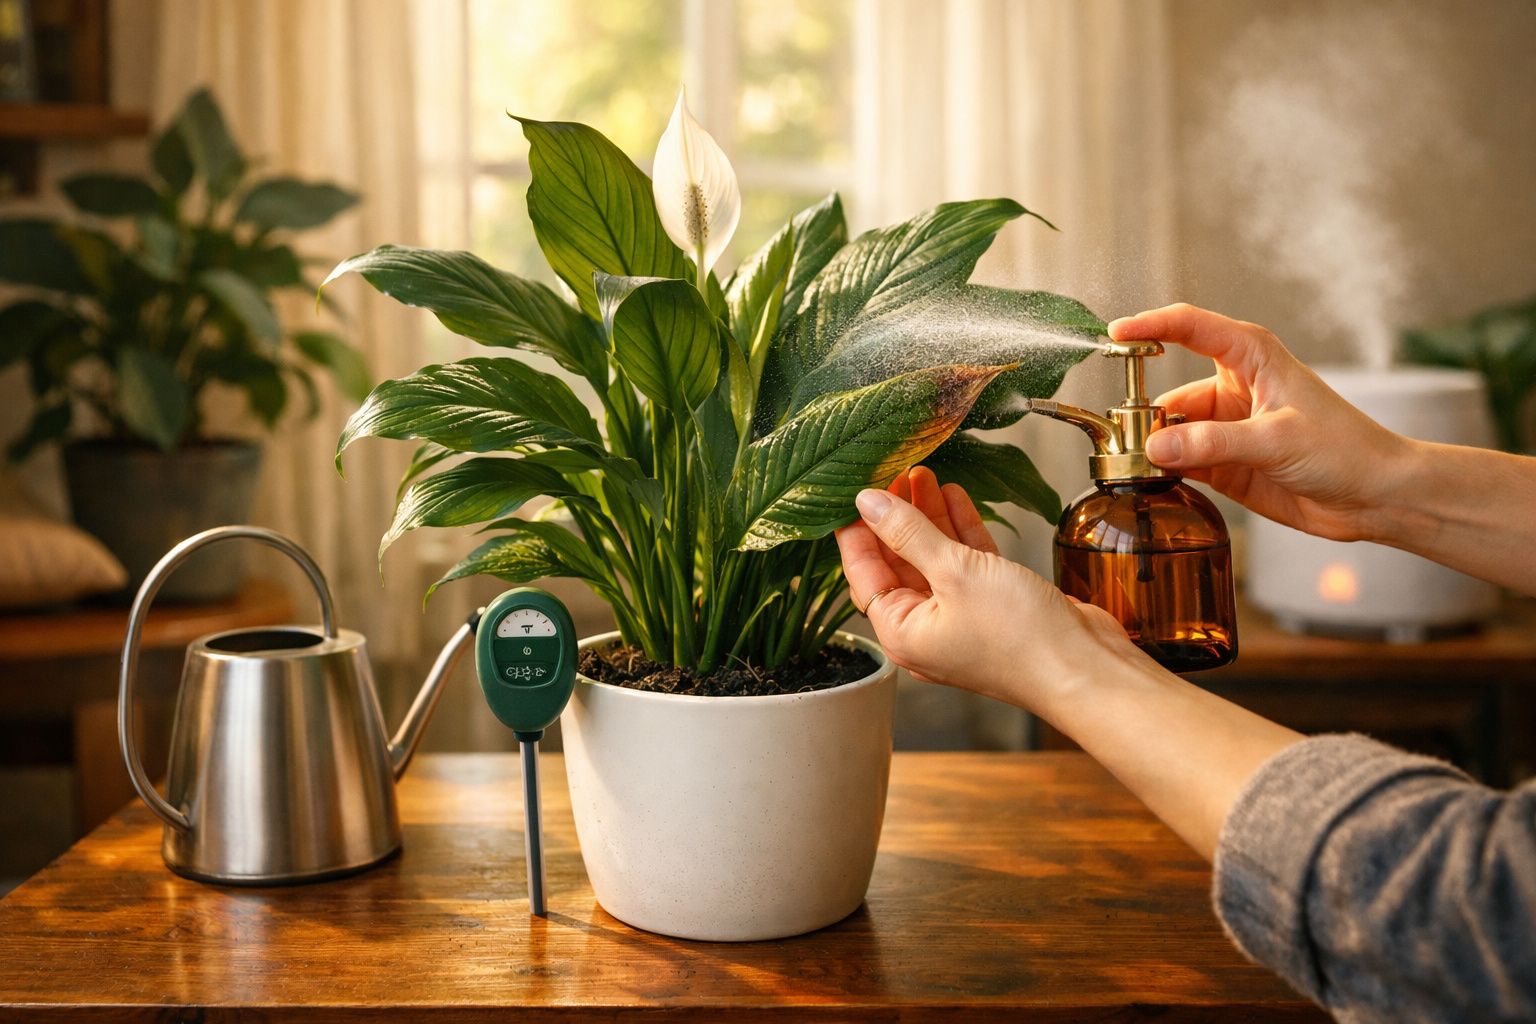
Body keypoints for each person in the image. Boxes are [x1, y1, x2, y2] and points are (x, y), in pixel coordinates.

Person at [836, 303, 1536, 1024]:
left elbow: (1470, 916)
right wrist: (1387, 479)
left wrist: (1068, 668)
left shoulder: (1161, 513)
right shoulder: (1092, 517)